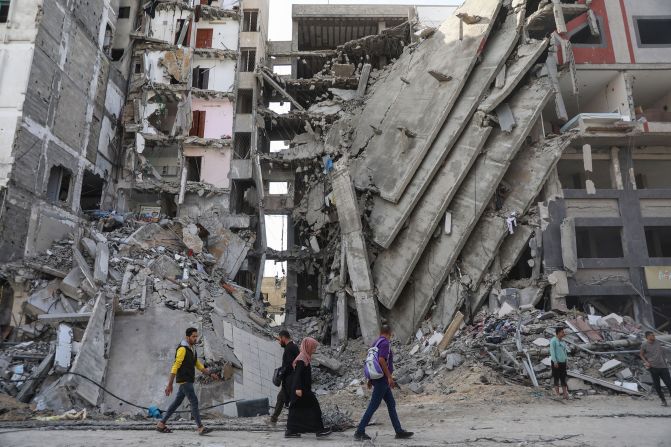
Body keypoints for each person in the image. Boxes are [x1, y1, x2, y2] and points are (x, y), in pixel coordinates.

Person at [354, 325, 413, 441]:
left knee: (391, 404)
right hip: (382, 380)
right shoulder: (385, 343)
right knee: (373, 405)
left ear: (381, 331)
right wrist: (389, 377)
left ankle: (399, 431)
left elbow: (371, 361)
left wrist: (370, 379)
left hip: (378, 379)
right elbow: (381, 360)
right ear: (390, 333)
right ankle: (359, 431)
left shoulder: (376, 342)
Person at [157, 327, 220, 435]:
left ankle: (161, 424)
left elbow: (198, 365)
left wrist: (210, 373)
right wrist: (170, 384)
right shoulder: (182, 349)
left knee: (177, 402)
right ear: (187, 337)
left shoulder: (192, 348)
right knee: (194, 401)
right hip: (185, 380)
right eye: (193, 336)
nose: (195, 338)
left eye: (196, 336)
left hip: (188, 380)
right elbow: (175, 366)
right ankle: (200, 427)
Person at [285, 337, 332, 438]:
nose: (314, 350)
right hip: (300, 389)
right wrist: (298, 388)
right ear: (308, 347)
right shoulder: (301, 359)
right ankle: (319, 430)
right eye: (313, 348)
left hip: (302, 389)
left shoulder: (305, 357)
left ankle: (291, 431)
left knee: (296, 410)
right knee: (314, 407)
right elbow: (297, 374)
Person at [269, 329, 300, 424]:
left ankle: (295, 421)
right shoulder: (293, 347)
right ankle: (274, 418)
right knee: (282, 398)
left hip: (290, 379)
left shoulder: (289, 348)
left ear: (283, 337)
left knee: (285, 398)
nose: (279, 342)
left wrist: (281, 375)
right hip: (292, 379)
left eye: (279, 339)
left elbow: (289, 365)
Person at [640, 331, 671, 407]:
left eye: (654, 335)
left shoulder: (658, 342)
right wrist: (646, 362)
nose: (654, 336)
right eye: (652, 335)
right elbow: (641, 355)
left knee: (669, 384)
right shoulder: (644, 345)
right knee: (657, 386)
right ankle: (663, 401)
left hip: (663, 367)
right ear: (647, 337)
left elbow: (665, 349)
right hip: (653, 368)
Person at [550, 327, 569, 399]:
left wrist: (566, 361)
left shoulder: (563, 342)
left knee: (563, 378)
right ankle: (557, 394)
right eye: (562, 332)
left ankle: (565, 394)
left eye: (563, 332)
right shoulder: (553, 341)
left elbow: (565, 352)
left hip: (563, 362)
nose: (563, 334)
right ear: (558, 333)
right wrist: (555, 361)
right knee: (556, 378)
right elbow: (552, 352)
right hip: (556, 362)